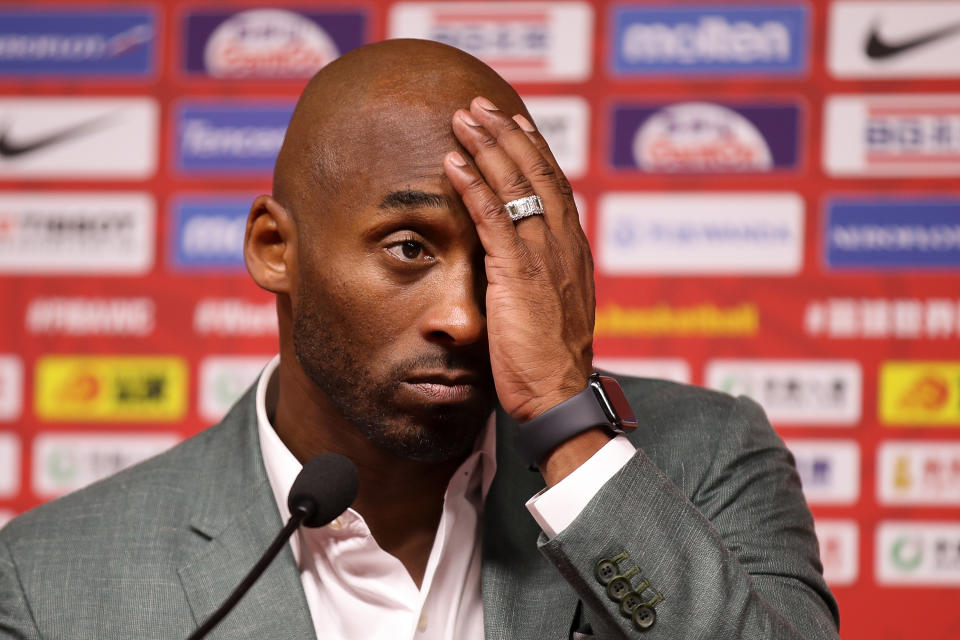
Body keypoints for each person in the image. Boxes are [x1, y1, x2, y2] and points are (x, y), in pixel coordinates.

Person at [0, 40, 839, 639]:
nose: (466, 318)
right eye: (409, 247)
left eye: (504, 254)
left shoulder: (710, 457)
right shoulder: (51, 582)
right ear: (273, 248)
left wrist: (562, 419)